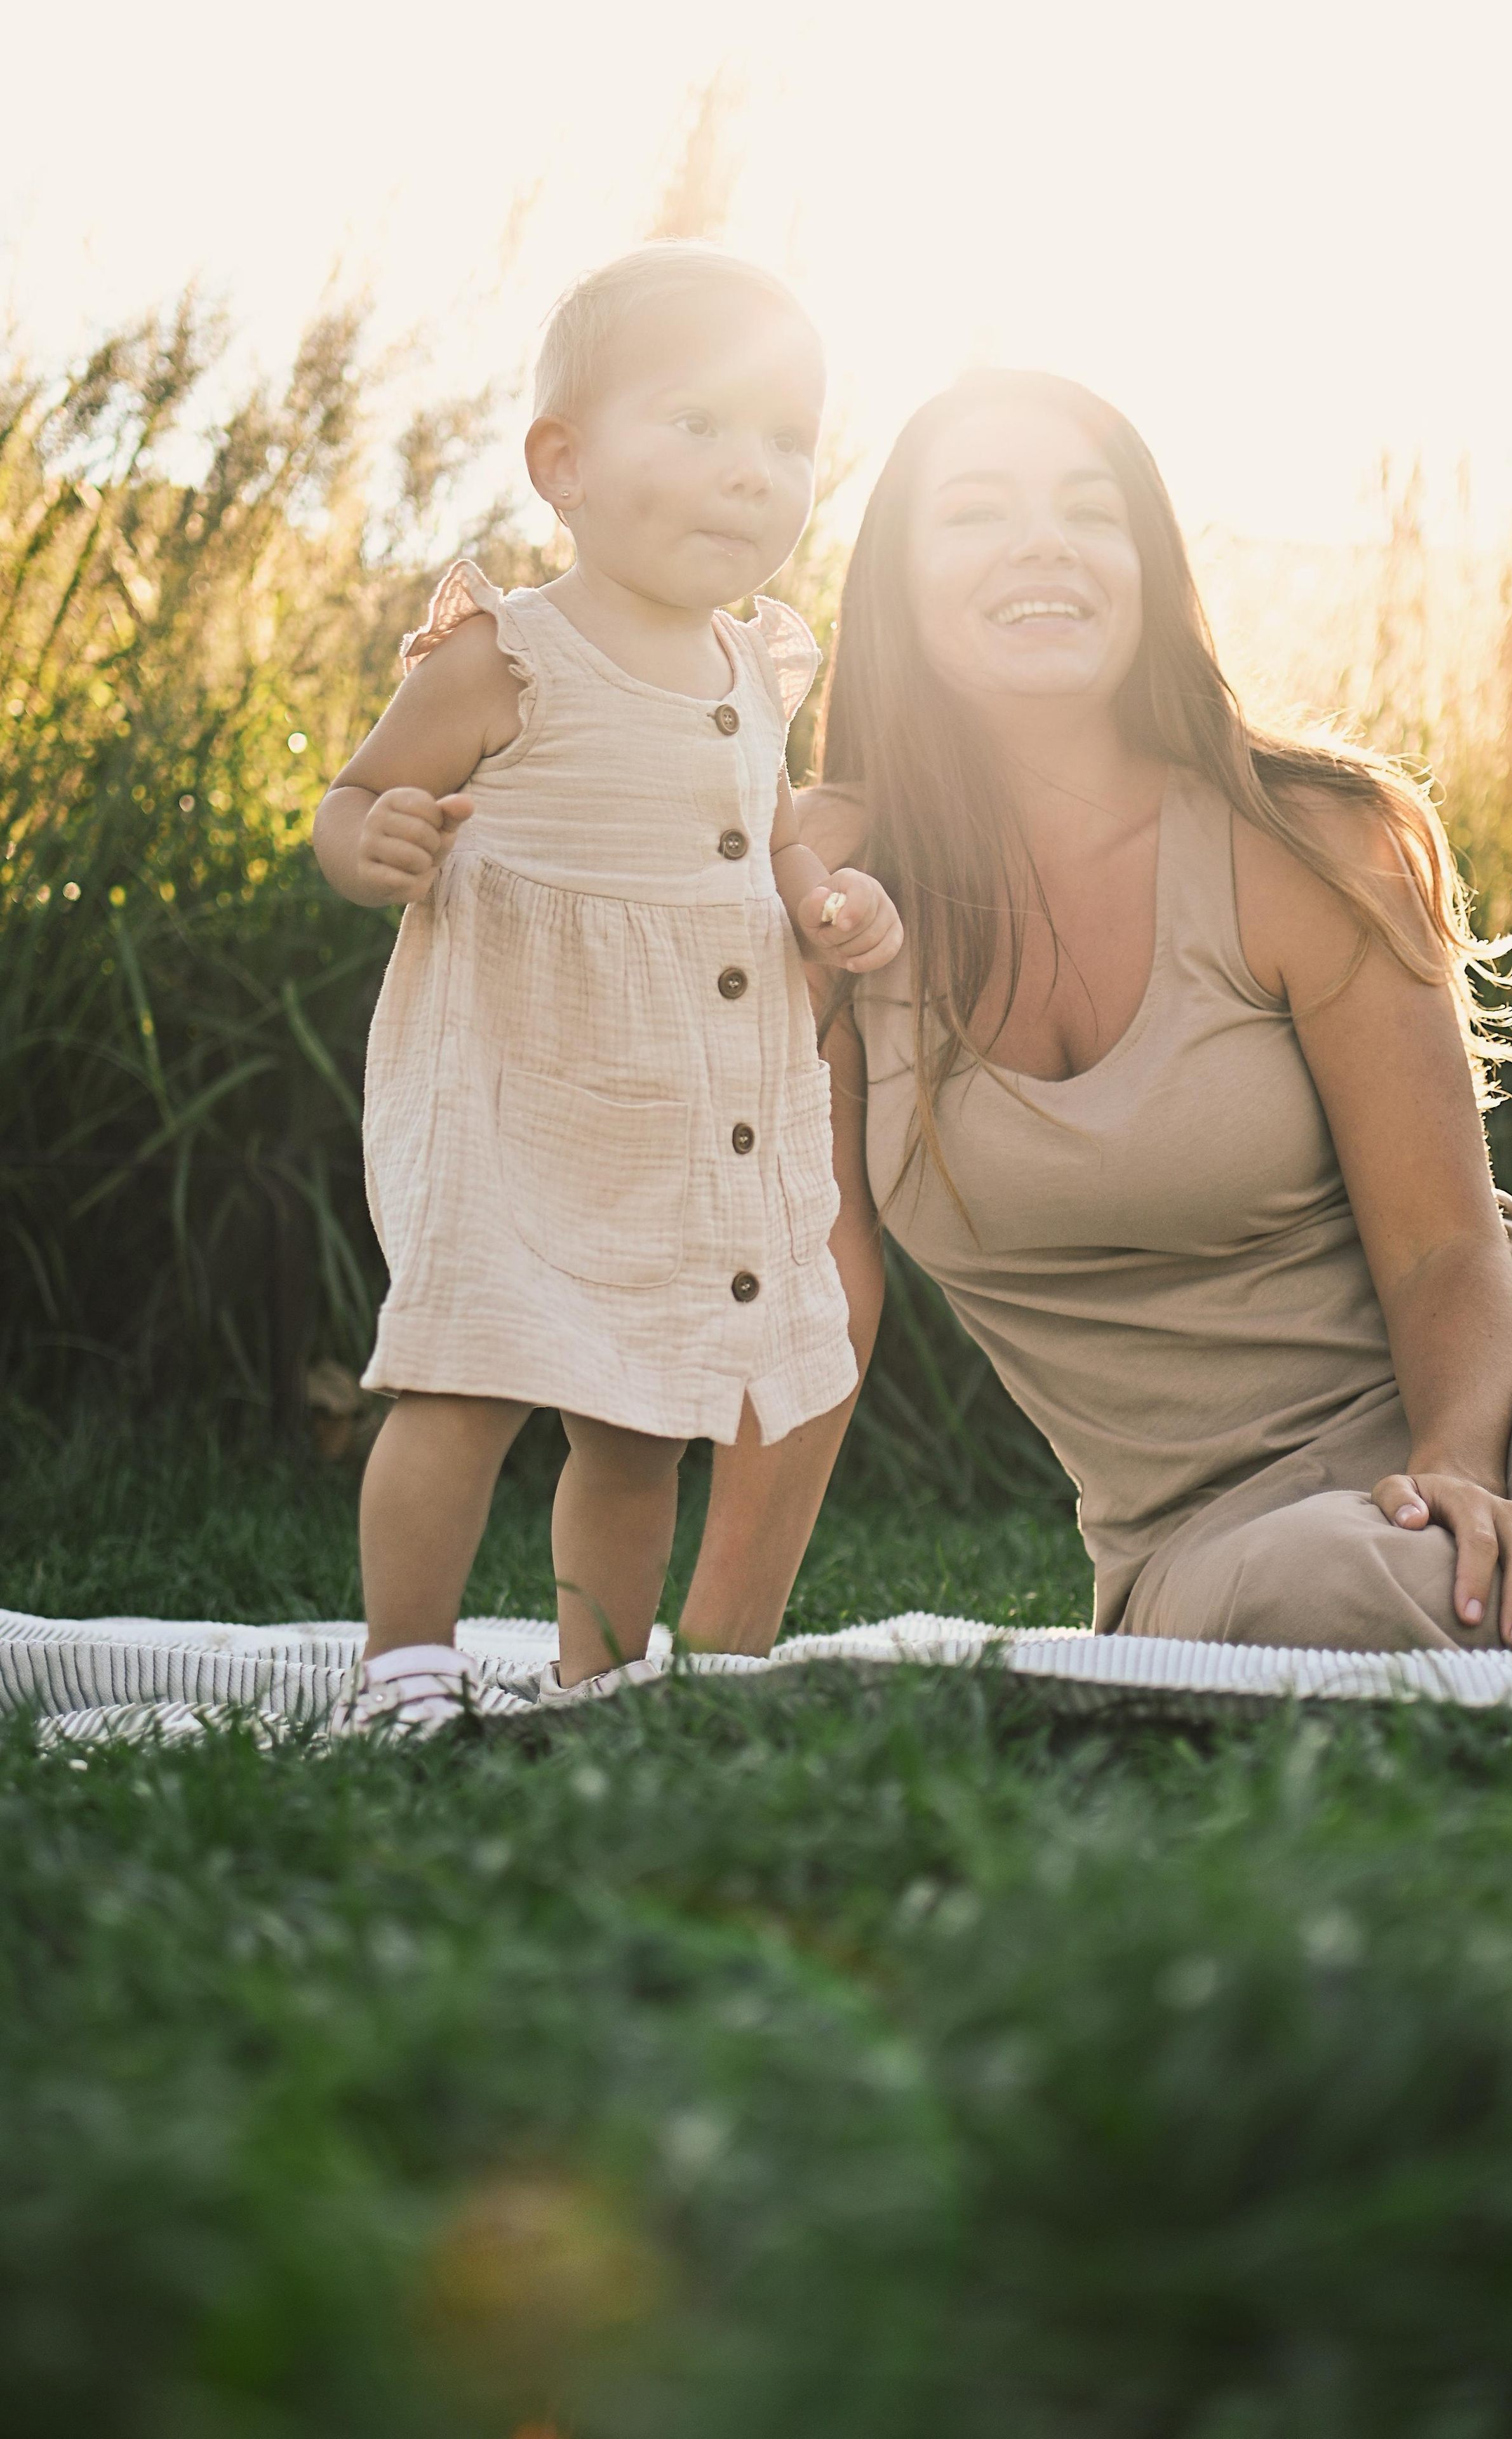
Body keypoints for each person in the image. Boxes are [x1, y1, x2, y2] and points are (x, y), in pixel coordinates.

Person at [686, 366, 1512, 1658]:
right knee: (1358, 1594)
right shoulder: (832, 888)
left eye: (1090, 508)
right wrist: (709, 1662)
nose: (1041, 540)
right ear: (895, 581)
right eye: (973, 513)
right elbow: (815, 1305)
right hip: (1219, 1527)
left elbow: (1438, 1249)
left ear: (1144, 566)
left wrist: (1454, 1470)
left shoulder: (1296, 836)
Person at [311, 244, 902, 1730]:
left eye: (783, 440)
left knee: (644, 1424)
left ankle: (601, 1684)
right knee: (464, 1377)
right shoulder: (509, 656)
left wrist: (824, 903)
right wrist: (371, 838)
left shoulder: (760, 663)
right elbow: (354, 794)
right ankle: (406, 1668)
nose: (747, 471)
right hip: (517, 1085)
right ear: (561, 464)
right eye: (697, 425)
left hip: (684, 1106)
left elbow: (765, 832)